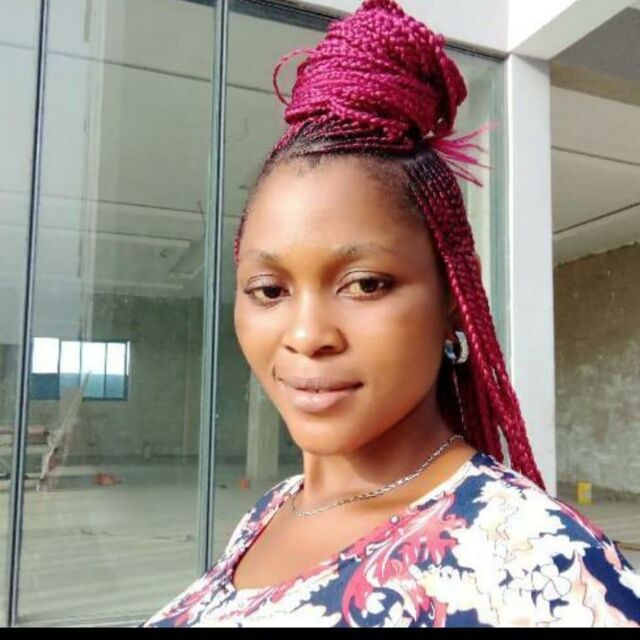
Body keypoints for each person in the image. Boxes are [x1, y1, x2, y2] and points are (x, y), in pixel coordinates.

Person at [144, 0, 640, 627]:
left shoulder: (540, 567)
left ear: (452, 301)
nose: (307, 335)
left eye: (365, 284)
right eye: (268, 290)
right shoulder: (273, 509)